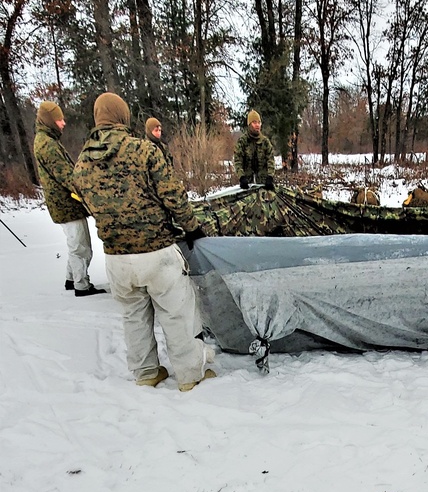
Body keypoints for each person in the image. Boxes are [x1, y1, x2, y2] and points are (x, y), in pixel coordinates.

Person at [73, 92, 216, 391]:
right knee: (178, 314)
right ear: (123, 116)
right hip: (157, 252)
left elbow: (87, 203)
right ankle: (191, 376)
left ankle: (146, 373)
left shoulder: (81, 164)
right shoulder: (144, 151)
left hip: (116, 258)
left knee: (133, 317)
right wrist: (192, 228)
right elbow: (173, 196)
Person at [32, 101, 106, 297]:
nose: (63, 123)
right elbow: (65, 176)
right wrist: (87, 193)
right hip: (66, 205)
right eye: (59, 119)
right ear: (50, 121)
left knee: (75, 243)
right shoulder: (46, 144)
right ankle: (82, 285)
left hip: (65, 204)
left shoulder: (47, 140)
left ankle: (71, 279)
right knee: (81, 247)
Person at [235, 109, 275, 190]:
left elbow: (270, 160)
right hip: (247, 184)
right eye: (254, 122)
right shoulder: (242, 142)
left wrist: (270, 177)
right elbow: (238, 161)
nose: (257, 125)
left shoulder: (265, 142)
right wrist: (241, 177)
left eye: (259, 122)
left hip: (263, 184)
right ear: (249, 124)